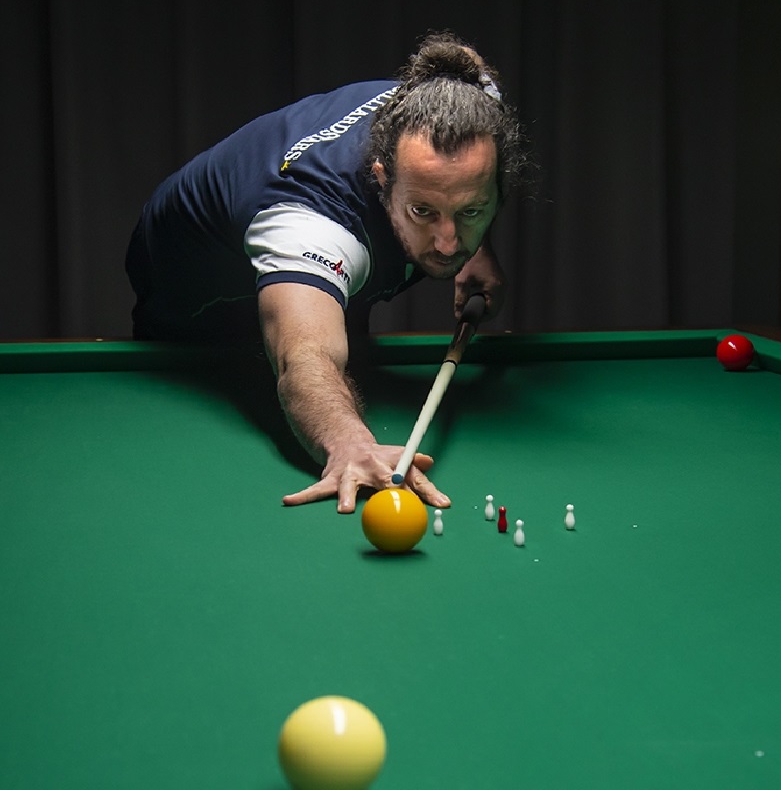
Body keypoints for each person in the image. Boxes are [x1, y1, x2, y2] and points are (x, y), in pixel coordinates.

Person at [125, 32, 527, 514]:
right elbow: (304, 355)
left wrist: (475, 247)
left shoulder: (464, 101)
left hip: (322, 235)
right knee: (277, 357)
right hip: (197, 283)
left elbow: (466, 62)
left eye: (470, 210)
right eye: (422, 210)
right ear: (382, 178)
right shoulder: (309, 226)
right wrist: (347, 442)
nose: (446, 242)